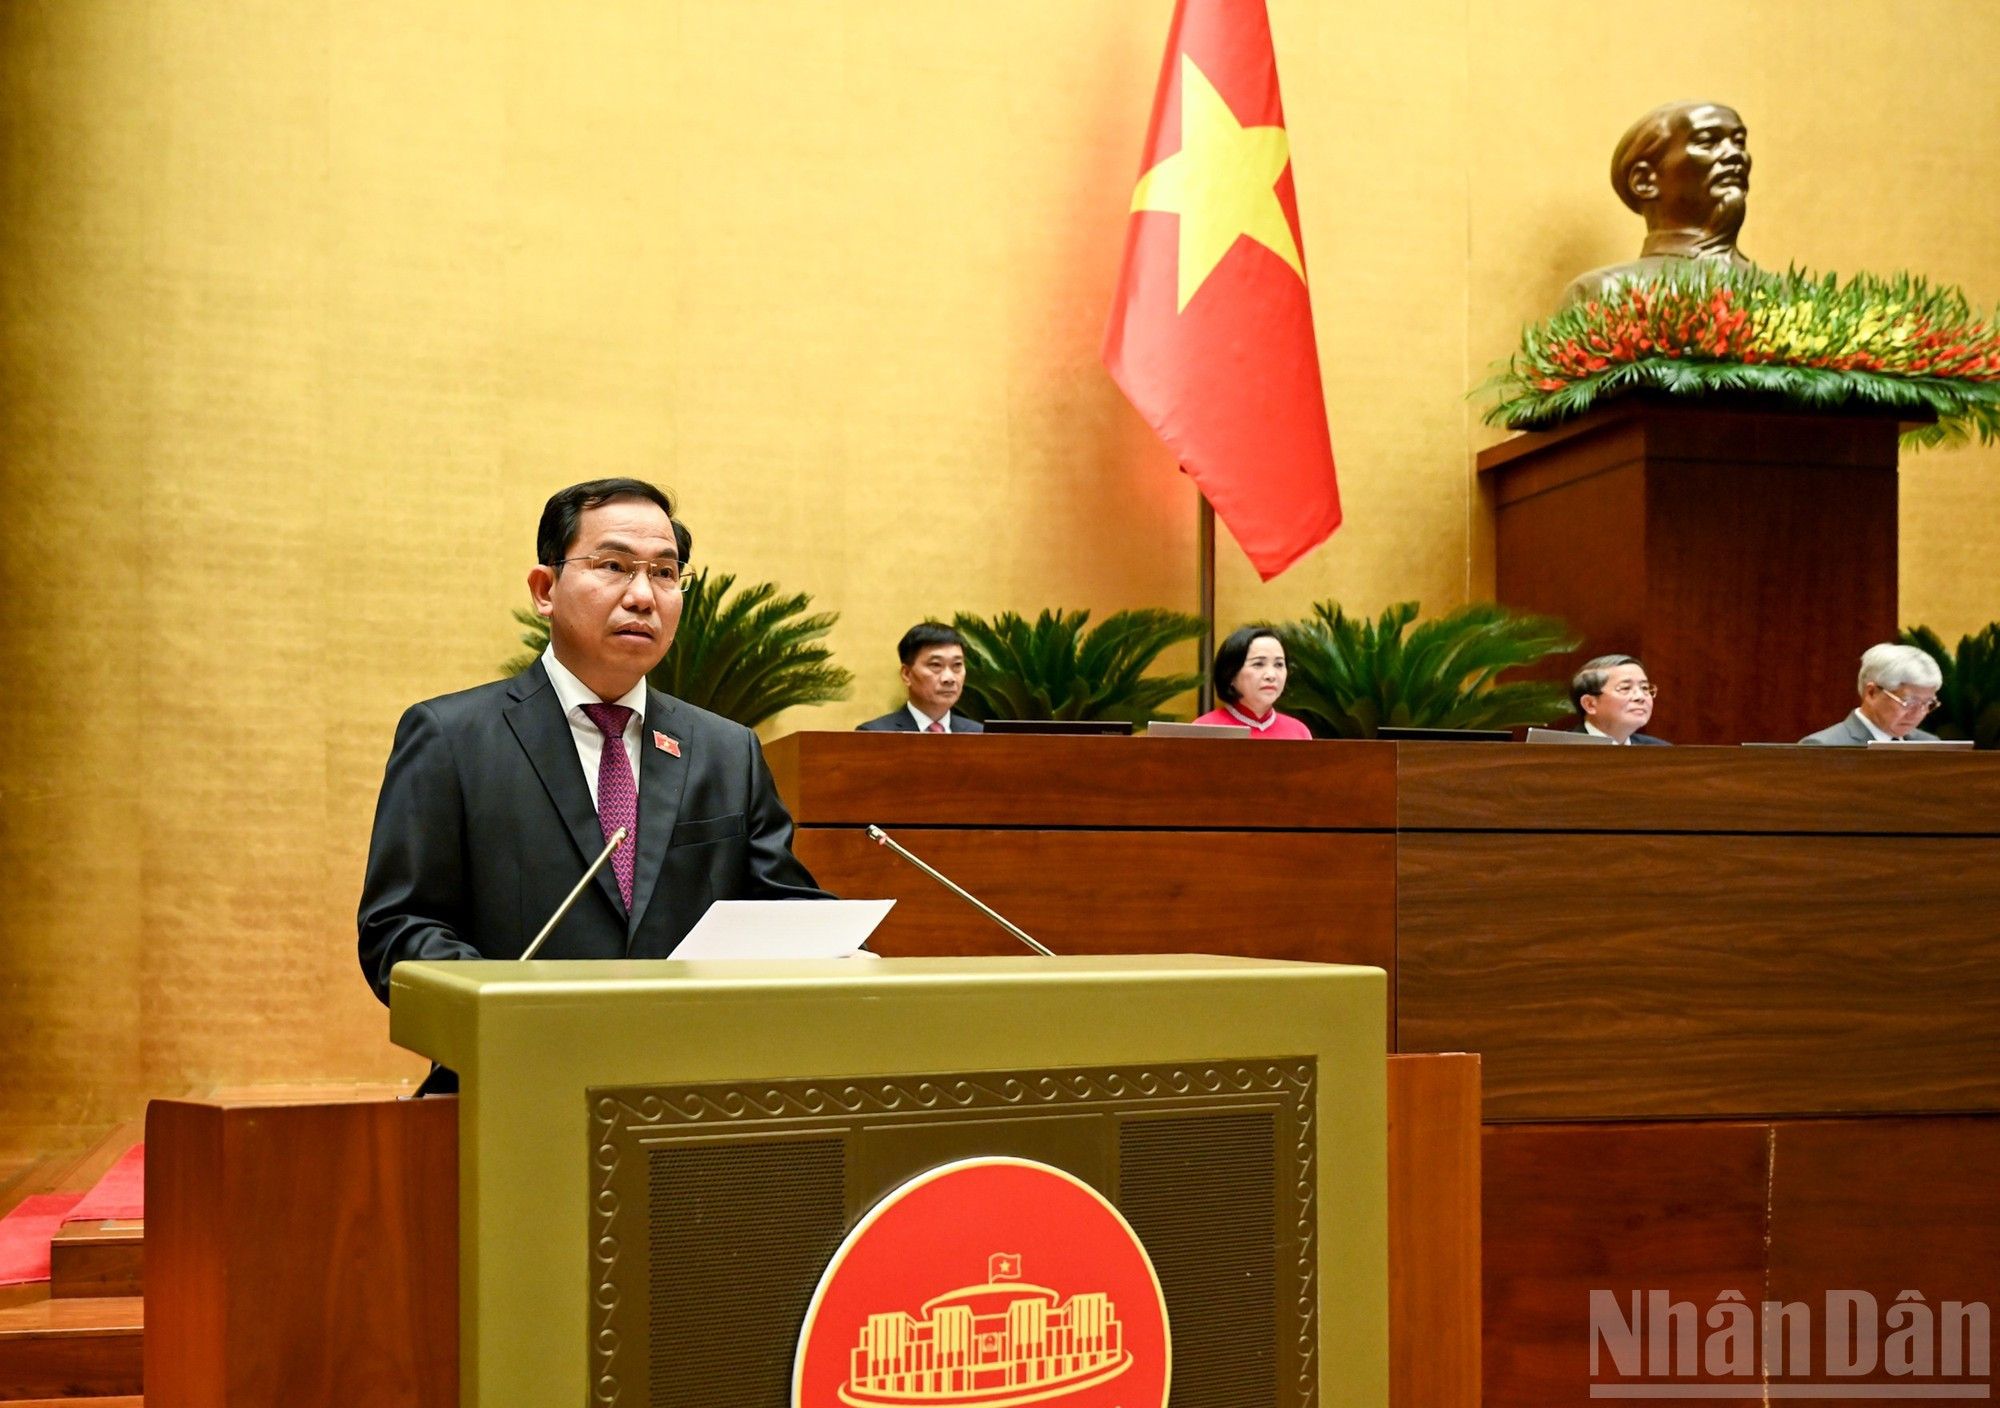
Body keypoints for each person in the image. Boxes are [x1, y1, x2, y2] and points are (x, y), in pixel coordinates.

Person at [357, 478, 832, 1008]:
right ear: (545, 590)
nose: (642, 596)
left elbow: (787, 915)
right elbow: (399, 930)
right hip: (516, 1070)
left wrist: (844, 956)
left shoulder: (727, 751)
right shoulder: (452, 739)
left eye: (665, 573)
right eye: (613, 566)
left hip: (688, 1072)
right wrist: (507, 1007)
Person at [1563, 100, 1754, 308]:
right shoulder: (1608, 291)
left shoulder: (1786, 292)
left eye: (1739, 142)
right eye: (1707, 142)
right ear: (1644, 181)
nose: (1736, 154)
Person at [1799, 643, 1944, 745]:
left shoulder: (1931, 745)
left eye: (1927, 704)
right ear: (1872, 693)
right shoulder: (1823, 747)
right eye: (1909, 703)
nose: (1918, 713)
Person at [855, 623, 986, 734]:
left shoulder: (981, 735)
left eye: (957, 665)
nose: (949, 678)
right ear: (906, 674)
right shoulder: (875, 734)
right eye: (935, 665)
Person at [1192, 627, 1313, 739]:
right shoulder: (1204, 729)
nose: (1271, 675)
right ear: (1231, 674)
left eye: (1279, 664)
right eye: (1258, 664)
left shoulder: (1299, 732)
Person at [1570, 655, 1671, 745]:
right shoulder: (1560, 751)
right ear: (1590, 704)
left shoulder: (1660, 751)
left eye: (1644, 688)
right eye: (1625, 688)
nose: (1640, 697)